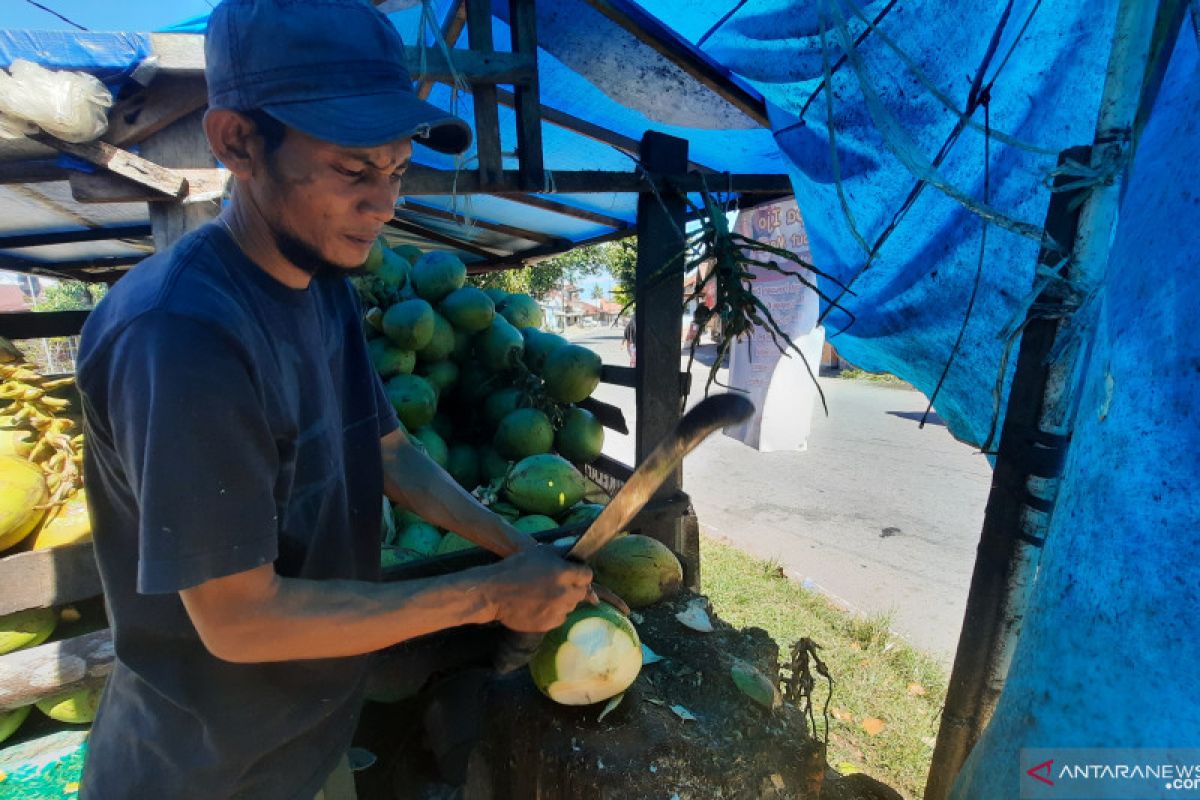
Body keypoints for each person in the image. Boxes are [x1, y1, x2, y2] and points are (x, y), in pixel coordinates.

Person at [75, 2, 599, 797]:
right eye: (354, 171)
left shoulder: (319, 282)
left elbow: (388, 451)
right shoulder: (181, 334)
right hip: (204, 773)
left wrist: (513, 548)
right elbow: (240, 617)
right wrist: (490, 595)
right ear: (237, 143)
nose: (385, 204)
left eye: (396, 169)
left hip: (309, 743)